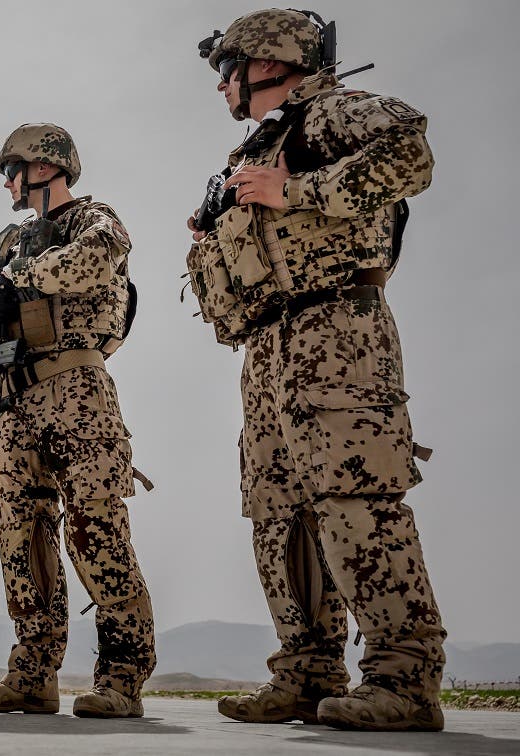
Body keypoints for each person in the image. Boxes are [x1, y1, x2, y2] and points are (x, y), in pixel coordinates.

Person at [185, 8, 446, 731]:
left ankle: (405, 677)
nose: (221, 89)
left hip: (338, 332)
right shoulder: (260, 148)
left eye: (225, 72)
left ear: (266, 62)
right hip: (270, 349)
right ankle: (306, 670)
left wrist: (293, 193)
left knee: (355, 497)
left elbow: (409, 150)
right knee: (278, 515)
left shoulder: (331, 115)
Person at [0, 123, 155, 718]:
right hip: (16, 404)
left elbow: (93, 264)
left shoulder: (95, 220)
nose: (6, 183)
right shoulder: (8, 244)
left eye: (9, 170)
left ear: (43, 167)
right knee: (21, 539)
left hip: (78, 391)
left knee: (96, 531)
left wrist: (17, 281)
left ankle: (121, 679)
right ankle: (33, 673)